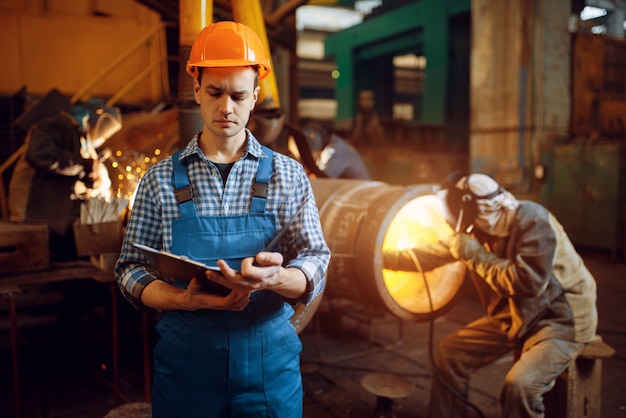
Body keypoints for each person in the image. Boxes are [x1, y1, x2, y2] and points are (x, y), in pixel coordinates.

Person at [114, 21, 330, 418]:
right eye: (214, 92)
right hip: (187, 361)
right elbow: (130, 270)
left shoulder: (288, 174)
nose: (226, 108)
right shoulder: (160, 180)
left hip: (268, 361)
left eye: (238, 95)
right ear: (196, 89)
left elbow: (316, 258)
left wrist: (277, 278)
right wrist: (182, 299)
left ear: (255, 97)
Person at [383, 172, 598, 418]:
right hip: (516, 317)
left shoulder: (534, 222)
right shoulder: (480, 226)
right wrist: (381, 258)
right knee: (449, 354)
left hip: (559, 322)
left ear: (467, 208)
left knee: (520, 386)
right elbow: (435, 252)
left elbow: (526, 283)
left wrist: (474, 255)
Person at [8, 99, 120, 261]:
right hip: (34, 213)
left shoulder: (80, 139)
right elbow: (39, 155)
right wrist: (83, 165)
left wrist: (89, 180)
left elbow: (68, 177)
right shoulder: (55, 125)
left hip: (54, 216)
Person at [301, 120, 371, 180]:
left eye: (314, 134)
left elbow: (324, 179)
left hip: (361, 193)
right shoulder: (326, 149)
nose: (310, 139)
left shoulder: (338, 150)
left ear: (326, 133)